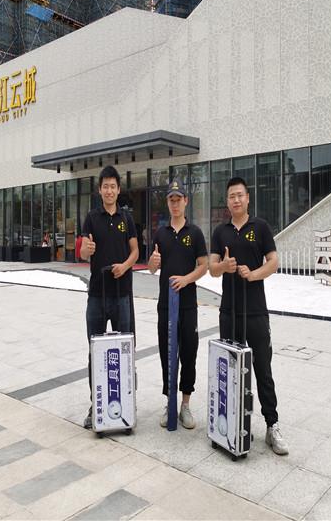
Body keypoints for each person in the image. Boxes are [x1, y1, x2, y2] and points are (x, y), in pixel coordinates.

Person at [209, 177, 289, 455]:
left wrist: (252, 274)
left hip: (256, 312)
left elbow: (274, 262)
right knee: (229, 370)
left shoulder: (260, 227)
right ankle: (231, 424)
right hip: (229, 312)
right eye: (231, 196)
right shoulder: (220, 232)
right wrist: (225, 266)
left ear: (248, 198)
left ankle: (272, 425)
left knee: (263, 370)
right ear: (227, 201)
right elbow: (212, 269)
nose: (236, 200)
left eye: (240, 195)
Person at [80, 165, 139, 429]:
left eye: (113, 186)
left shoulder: (127, 218)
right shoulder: (91, 218)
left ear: (118, 189)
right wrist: (88, 250)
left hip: (122, 294)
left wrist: (125, 266)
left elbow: (135, 252)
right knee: (95, 350)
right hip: (97, 295)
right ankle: (96, 404)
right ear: (100, 190)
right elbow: (82, 253)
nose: (109, 191)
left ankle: (127, 402)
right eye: (105, 186)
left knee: (125, 350)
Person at [148, 179, 208, 429]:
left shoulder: (195, 233)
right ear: (168, 203)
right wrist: (153, 263)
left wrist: (186, 280)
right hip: (165, 305)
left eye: (178, 199)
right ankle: (169, 402)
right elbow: (152, 268)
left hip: (187, 305)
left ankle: (185, 404)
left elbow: (204, 265)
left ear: (186, 201)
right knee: (167, 353)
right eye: (171, 200)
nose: (175, 204)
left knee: (188, 352)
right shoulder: (160, 233)